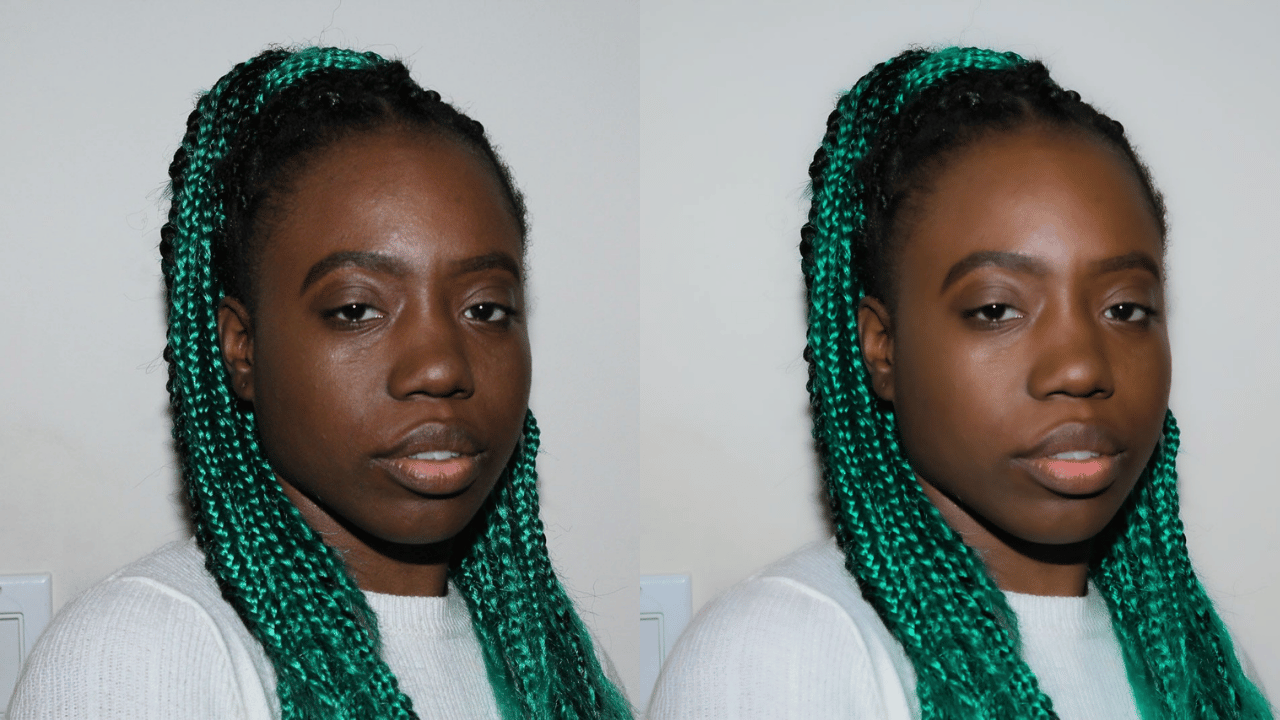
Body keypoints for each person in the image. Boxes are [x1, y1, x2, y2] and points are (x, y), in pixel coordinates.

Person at [648, 47, 1272, 719]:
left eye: (1125, 309)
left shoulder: (1198, 660)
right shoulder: (783, 651)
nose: (1082, 367)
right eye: (997, 309)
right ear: (881, 347)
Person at [8, 46, 631, 720]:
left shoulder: (560, 660)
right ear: (241, 348)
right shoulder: (141, 654)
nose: (441, 367)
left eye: (485, 309)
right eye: (357, 310)